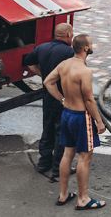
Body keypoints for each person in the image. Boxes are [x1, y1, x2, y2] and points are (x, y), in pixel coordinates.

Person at [43, 33, 106, 211]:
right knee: (85, 157)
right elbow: (89, 100)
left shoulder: (65, 64)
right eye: (91, 44)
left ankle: (63, 195)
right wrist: (99, 122)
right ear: (85, 48)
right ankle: (83, 199)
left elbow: (48, 82)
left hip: (67, 113)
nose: (92, 46)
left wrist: (62, 99)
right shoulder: (85, 71)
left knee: (67, 154)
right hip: (81, 117)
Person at [23, 22, 74, 180]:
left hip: (47, 96)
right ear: (67, 35)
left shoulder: (42, 48)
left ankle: (43, 163)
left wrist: (44, 75)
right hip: (63, 97)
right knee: (61, 132)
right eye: (71, 34)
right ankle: (59, 167)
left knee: (47, 129)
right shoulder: (70, 52)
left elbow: (28, 62)